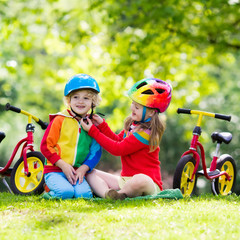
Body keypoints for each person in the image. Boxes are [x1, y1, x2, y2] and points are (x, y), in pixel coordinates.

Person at [80, 77, 172, 200]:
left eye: (137, 107)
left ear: (151, 113)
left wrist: (93, 131)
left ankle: (121, 193)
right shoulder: (134, 125)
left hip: (148, 184)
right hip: (125, 180)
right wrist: (102, 125)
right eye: (132, 104)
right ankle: (108, 195)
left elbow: (118, 149)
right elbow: (118, 140)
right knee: (90, 172)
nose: (132, 108)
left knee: (140, 179)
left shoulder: (146, 134)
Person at [40, 73, 102, 199]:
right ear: (69, 100)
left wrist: (83, 169)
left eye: (86, 98)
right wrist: (62, 164)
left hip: (77, 172)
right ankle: (47, 191)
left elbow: (95, 152)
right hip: (55, 170)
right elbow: (46, 146)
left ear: (93, 102)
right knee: (65, 193)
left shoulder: (92, 125)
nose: (80, 101)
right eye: (76, 97)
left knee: (84, 196)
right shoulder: (59, 120)